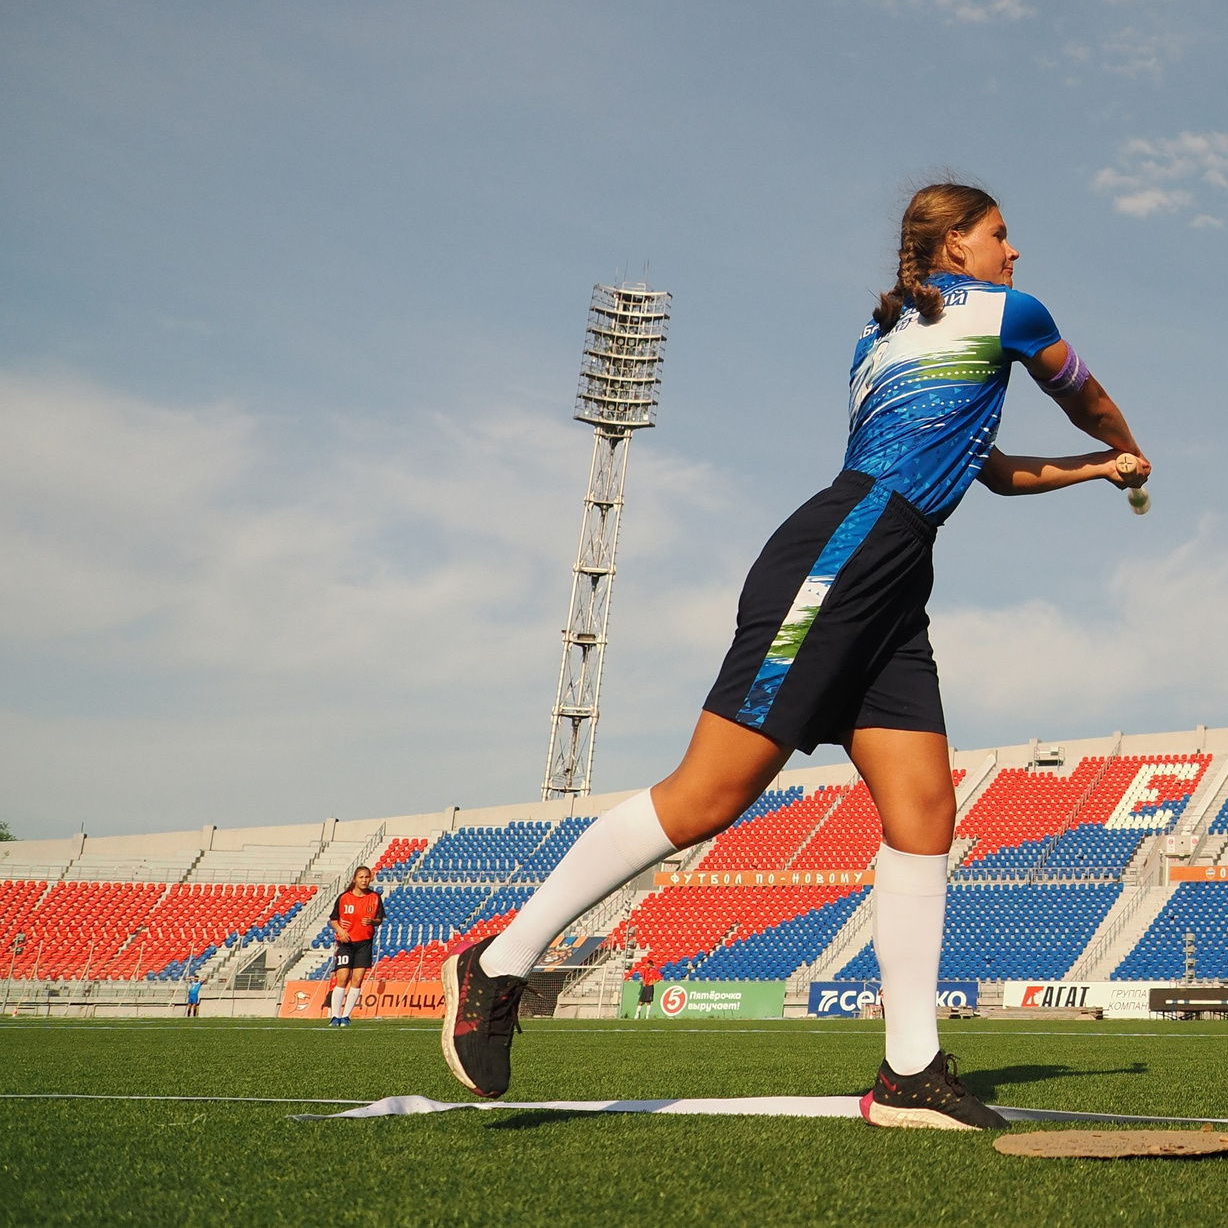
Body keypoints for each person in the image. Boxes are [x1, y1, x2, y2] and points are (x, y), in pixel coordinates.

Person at [442, 182, 1151, 1128]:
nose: (1015, 253)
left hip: (893, 575)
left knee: (924, 808)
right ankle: (498, 964)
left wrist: (1099, 473)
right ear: (953, 247)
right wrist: (1127, 442)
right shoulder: (1010, 316)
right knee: (709, 793)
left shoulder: (891, 338)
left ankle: (909, 1071)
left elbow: (992, 471)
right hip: (845, 552)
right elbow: (1084, 392)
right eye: (1000, 235)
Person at [327, 865, 383, 1028]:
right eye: (361, 877)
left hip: (364, 943)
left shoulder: (375, 897)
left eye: (367, 877)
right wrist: (340, 930)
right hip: (346, 943)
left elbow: (379, 919)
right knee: (342, 978)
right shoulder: (344, 898)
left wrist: (372, 921)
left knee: (357, 980)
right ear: (355, 879)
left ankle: (346, 1016)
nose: (364, 880)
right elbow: (333, 919)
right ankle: (335, 1016)